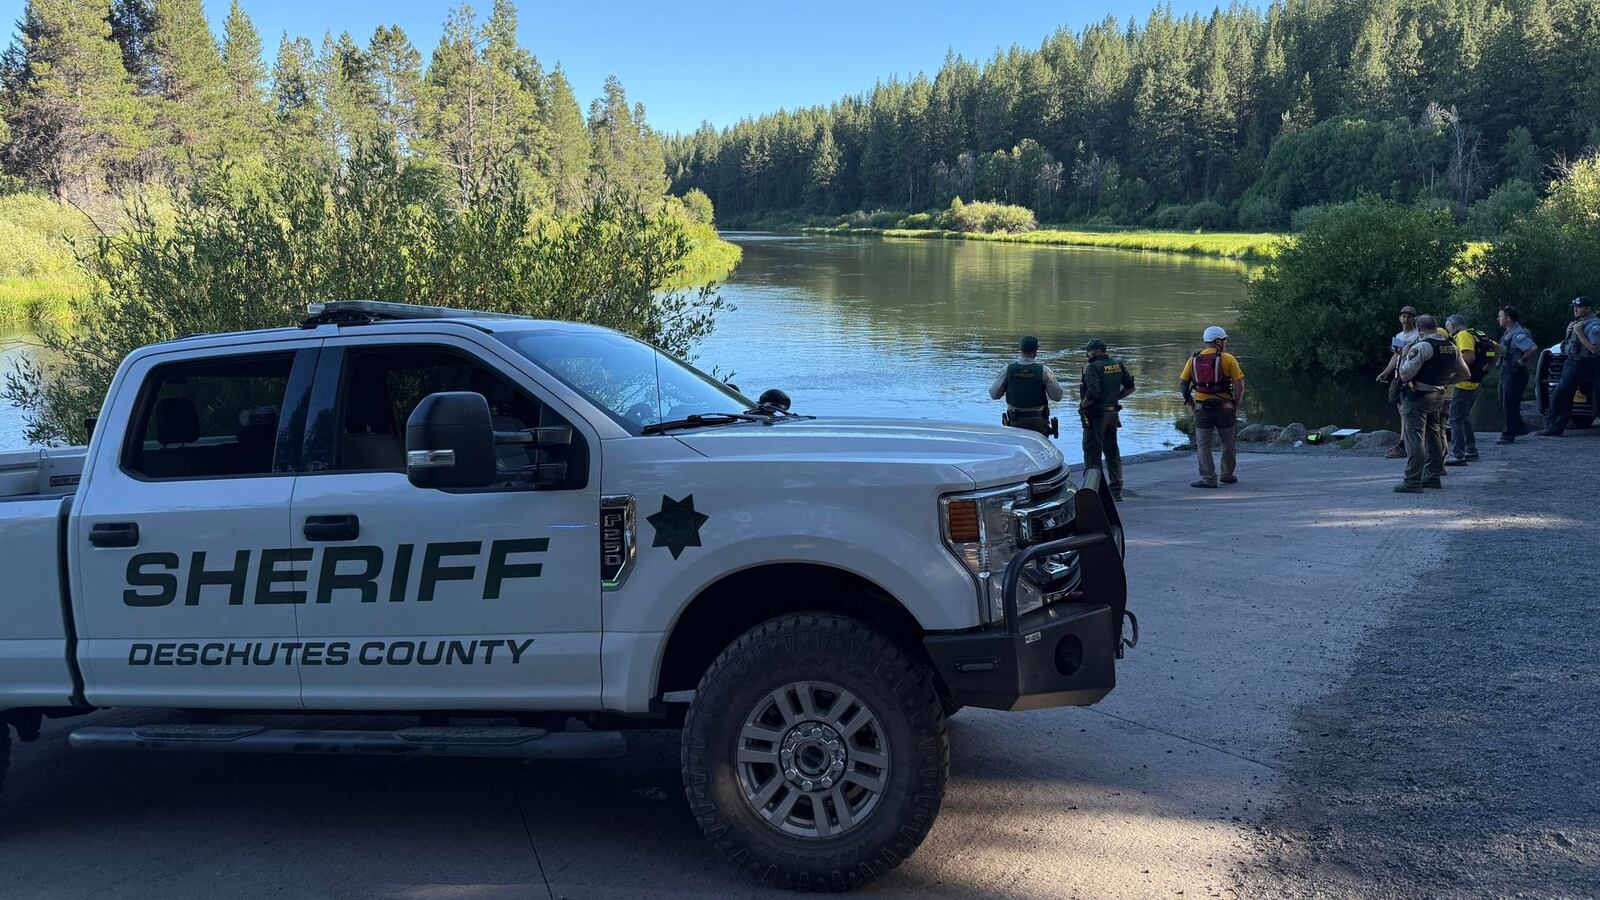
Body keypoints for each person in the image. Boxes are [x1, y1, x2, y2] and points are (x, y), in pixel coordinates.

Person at [1393, 315, 1469, 493]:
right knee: (1434, 435)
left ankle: (1413, 480)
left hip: (1418, 396)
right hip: (1438, 395)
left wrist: (1403, 355)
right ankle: (1433, 476)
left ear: (1420, 330)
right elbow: (1465, 374)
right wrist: (1445, 381)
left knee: (1414, 438)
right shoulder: (1451, 347)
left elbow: (1405, 374)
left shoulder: (1422, 346)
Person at [1180, 326, 1245, 489]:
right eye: (1224, 340)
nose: (1225, 343)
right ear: (1217, 341)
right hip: (1225, 409)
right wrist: (1236, 404)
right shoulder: (1228, 359)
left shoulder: (1193, 360)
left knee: (1203, 445)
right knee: (1228, 443)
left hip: (1202, 409)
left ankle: (1208, 479)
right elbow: (1239, 385)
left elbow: (1183, 384)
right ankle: (1227, 475)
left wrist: (1192, 405)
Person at [1078, 338, 1135, 501]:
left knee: (1092, 453)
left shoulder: (1093, 367)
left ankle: (1093, 492)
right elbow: (1130, 387)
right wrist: (1115, 398)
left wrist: (1083, 405)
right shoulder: (1117, 364)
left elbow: (1093, 393)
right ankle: (1116, 490)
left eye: (1089, 351)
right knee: (1112, 452)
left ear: (1096, 351)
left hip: (1096, 416)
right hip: (1112, 414)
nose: (1087, 354)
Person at [1541, 296, 1600, 436]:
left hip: (1583, 363)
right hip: (1571, 362)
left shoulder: (1595, 326)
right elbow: (1566, 347)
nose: (1575, 309)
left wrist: (1579, 333)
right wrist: (1568, 334)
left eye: (1578, 307)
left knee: (1559, 394)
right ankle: (1554, 429)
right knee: (1564, 396)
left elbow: (1595, 350)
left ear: (1588, 308)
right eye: (1574, 307)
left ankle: (1552, 428)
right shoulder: (1577, 324)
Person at [990, 335, 1064, 437]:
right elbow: (1057, 396)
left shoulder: (1007, 370)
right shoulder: (1044, 371)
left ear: (1020, 349)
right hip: (1038, 423)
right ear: (1035, 351)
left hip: (1015, 422)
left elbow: (994, 395)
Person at [1376, 306, 1420, 459]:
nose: (1406, 319)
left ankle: (1404, 444)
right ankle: (1404, 443)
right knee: (1401, 410)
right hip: (1398, 377)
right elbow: (1396, 356)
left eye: (1409, 316)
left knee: (1408, 412)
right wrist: (1385, 372)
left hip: (1411, 377)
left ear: (1414, 319)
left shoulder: (1418, 335)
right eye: (1403, 316)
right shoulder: (1399, 336)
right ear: (1400, 318)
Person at [1495, 306, 1539, 444]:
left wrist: (1521, 360)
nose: (1498, 319)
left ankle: (1508, 434)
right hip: (1506, 372)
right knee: (1503, 400)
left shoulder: (1518, 334)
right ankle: (1520, 427)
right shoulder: (1508, 332)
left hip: (1515, 373)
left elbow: (1532, 348)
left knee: (1509, 404)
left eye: (1500, 316)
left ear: (1508, 318)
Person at [1443, 314, 1480, 465]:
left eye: (1447, 327)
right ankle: (1471, 451)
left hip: (1463, 383)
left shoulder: (1463, 335)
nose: (1448, 331)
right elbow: (1497, 347)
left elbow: (1469, 357)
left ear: (1453, 325)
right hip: (1474, 382)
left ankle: (1458, 455)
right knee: (1463, 417)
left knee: (1455, 418)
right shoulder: (1476, 333)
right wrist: (1486, 368)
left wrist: (1451, 370)